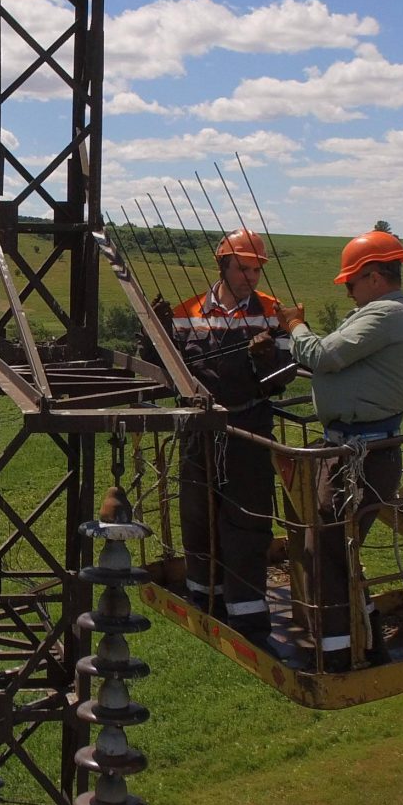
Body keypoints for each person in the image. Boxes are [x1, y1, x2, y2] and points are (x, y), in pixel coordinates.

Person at [277, 230, 403, 672]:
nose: (347, 289)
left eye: (351, 282)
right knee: (335, 549)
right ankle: (363, 638)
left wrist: (295, 326)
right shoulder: (397, 313)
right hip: (358, 449)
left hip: (360, 454)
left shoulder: (384, 315)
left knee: (327, 550)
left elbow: (322, 357)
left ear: (375, 277)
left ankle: (341, 651)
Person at [164, 229, 291, 644]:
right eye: (244, 267)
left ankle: (249, 619)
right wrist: (153, 338)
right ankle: (205, 600)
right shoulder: (187, 311)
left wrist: (271, 358)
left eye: (257, 269)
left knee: (247, 523)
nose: (252, 277)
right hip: (199, 432)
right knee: (197, 514)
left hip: (248, 431)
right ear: (223, 265)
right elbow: (170, 372)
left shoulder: (274, 312)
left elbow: (282, 378)